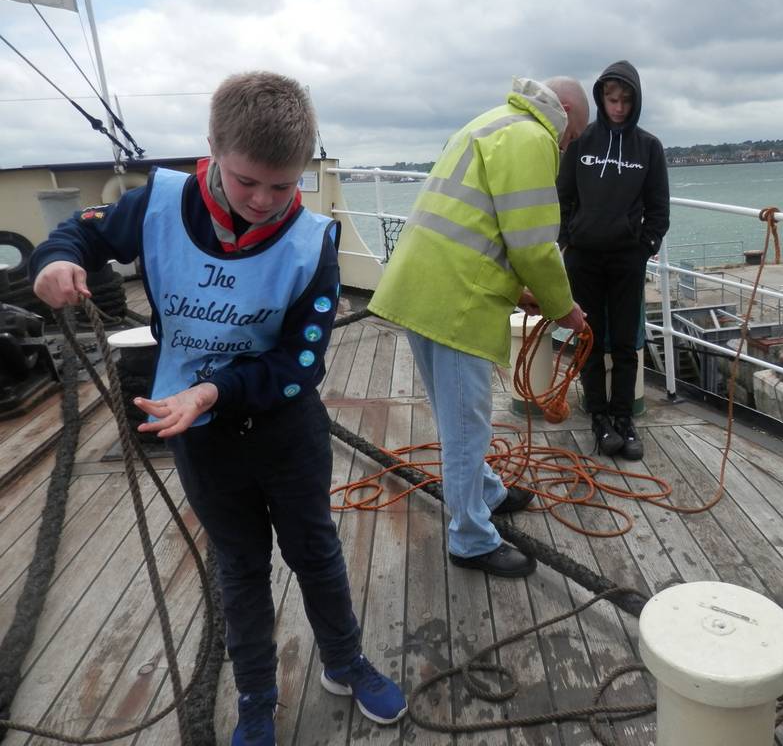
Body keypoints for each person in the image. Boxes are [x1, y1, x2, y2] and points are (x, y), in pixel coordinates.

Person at [30, 71, 407, 746]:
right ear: (212, 151)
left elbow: (301, 364)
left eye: (282, 185)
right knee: (239, 567)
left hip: (284, 430)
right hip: (202, 440)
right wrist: (56, 263)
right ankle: (257, 698)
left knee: (315, 551)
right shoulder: (156, 205)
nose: (264, 200)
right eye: (246, 181)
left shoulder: (312, 243)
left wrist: (213, 389)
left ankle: (345, 662)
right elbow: (80, 233)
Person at [368, 77, 589, 579]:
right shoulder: (533, 137)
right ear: (566, 110)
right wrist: (563, 308)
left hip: (421, 286)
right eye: (571, 136)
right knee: (467, 424)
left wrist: (520, 290)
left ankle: (487, 491)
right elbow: (532, 243)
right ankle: (470, 537)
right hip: (456, 302)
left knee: (456, 415)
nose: (566, 144)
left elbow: (484, 225)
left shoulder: (490, 122)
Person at [556, 60, 670, 461]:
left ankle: (624, 419)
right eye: (611, 99)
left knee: (624, 342)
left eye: (625, 100)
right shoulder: (581, 143)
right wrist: (568, 242)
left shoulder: (649, 148)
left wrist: (643, 246)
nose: (618, 108)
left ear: (635, 101)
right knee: (590, 339)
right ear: (600, 98)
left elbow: (659, 209)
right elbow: (563, 198)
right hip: (584, 259)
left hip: (627, 260)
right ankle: (599, 418)